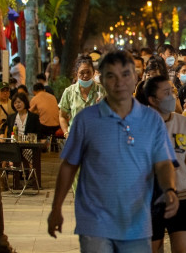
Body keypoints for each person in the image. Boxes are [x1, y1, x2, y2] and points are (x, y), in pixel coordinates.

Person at [47, 50, 179, 251]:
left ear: (135, 78)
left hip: (136, 222)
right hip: (95, 222)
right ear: (102, 79)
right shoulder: (85, 121)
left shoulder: (151, 120)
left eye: (125, 75)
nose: (119, 82)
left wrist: (169, 190)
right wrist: (56, 207)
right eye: (111, 76)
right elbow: (69, 165)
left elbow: (163, 162)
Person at [144, 75, 186, 253]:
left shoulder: (185, 124)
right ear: (152, 99)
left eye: (172, 91)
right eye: (166, 93)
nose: (172, 96)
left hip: (182, 197)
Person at [59, 56, 106, 138]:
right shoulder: (69, 92)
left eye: (88, 72)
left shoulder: (101, 90)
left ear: (93, 72)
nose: (85, 75)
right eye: (82, 73)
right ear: (76, 73)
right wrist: (66, 133)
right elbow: (62, 116)